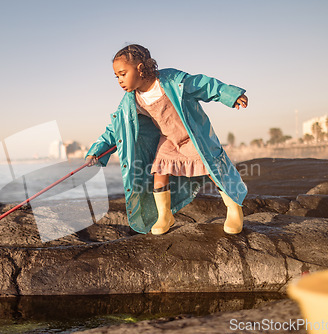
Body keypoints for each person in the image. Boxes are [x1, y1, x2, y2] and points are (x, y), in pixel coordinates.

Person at [86, 44, 248, 235]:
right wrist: (97, 150)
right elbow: (115, 129)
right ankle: (165, 215)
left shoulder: (172, 80)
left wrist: (230, 95)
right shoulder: (131, 100)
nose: (120, 80)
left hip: (192, 135)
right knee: (159, 170)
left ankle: (234, 208)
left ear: (139, 68)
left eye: (123, 74)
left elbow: (203, 84)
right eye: (117, 77)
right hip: (169, 140)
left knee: (212, 168)